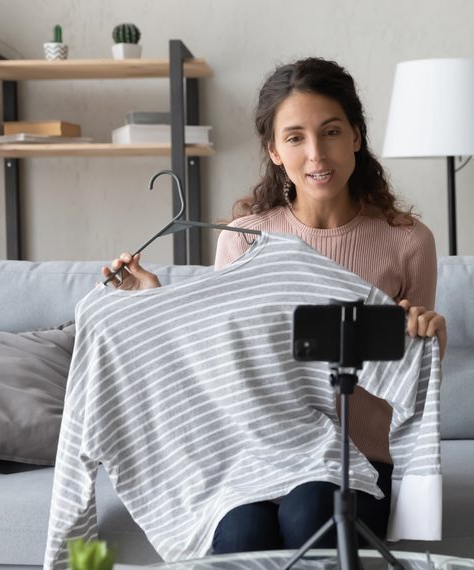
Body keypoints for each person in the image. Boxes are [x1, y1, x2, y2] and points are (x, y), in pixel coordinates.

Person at [103, 57, 447, 554]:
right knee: (240, 535)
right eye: (295, 137)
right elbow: (220, 365)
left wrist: (428, 333)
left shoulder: (408, 241)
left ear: (356, 135)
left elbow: (413, 378)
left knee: (310, 513)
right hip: (257, 454)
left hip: (361, 460)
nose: (316, 153)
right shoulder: (246, 239)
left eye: (330, 131)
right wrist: (154, 304)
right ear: (273, 150)